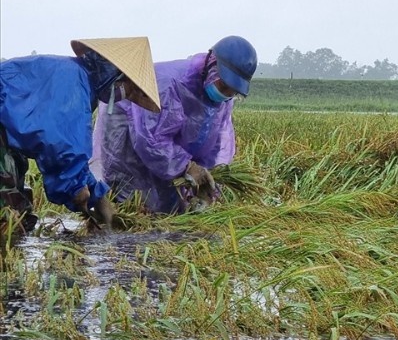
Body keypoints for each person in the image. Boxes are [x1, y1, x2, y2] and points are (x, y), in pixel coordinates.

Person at [1, 37, 161, 235]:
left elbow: (75, 156)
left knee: (20, 214)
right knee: (8, 216)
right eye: (127, 89)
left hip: (7, 142)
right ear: (114, 75)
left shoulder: (80, 81)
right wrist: (77, 189)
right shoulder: (73, 82)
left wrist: (98, 198)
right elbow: (59, 146)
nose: (123, 95)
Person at [92, 36, 257, 214]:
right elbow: (151, 140)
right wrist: (186, 166)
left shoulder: (222, 101)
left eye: (232, 91)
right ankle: (117, 223)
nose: (225, 94)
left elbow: (213, 142)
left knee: (168, 207)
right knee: (130, 193)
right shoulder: (168, 84)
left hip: (161, 144)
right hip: (128, 125)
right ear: (211, 65)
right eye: (223, 86)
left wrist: (206, 180)